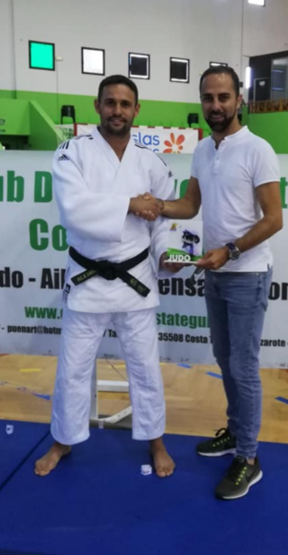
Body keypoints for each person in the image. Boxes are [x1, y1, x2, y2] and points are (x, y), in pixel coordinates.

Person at [142, 66, 283, 499]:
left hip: (246, 274)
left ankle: (248, 457)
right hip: (215, 273)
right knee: (225, 360)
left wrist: (231, 251)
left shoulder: (258, 149)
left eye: (224, 97)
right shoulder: (203, 149)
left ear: (239, 99)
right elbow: (189, 204)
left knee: (243, 368)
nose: (216, 106)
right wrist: (155, 206)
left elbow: (274, 219)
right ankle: (236, 435)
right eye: (208, 97)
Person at [34, 75, 180, 478]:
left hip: (136, 281)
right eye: (110, 102)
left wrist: (166, 254)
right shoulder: (72, 153)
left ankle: (156, 441)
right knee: (73, 368)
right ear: (97, 106)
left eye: (125, 103)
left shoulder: (152, 162)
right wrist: (131, 203)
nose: (118, 110)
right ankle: (63, 440)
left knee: (146, 368)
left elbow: (164, 220)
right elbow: (74, 208)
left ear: (137, 110)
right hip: (88, 281)